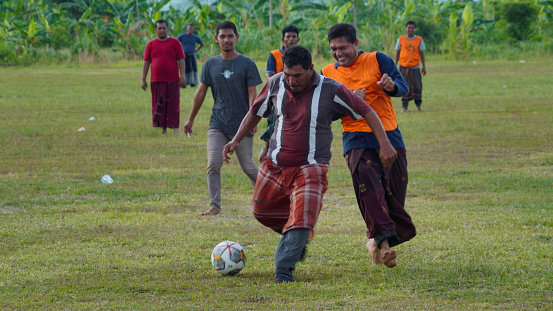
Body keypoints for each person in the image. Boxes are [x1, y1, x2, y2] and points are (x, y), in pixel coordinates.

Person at [222, 45, 397, 283]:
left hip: (311, 167)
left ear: (310, 70)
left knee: (302, 217)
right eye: (287, 75)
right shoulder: (275, 83)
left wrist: (385, 144)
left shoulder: (330, 89)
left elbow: (366, 111)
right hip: (275, 164)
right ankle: (297, 239)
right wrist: (235, 140)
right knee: (261, 210)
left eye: (297, 76)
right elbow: (256, 110)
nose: (291, 81)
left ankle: (284, 270)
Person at [321, 23, 416, 268]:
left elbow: (403, 86)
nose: (338, 53)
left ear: (356, 44)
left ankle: (374, 241)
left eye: (343, 47)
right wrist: (347, 101)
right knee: (370, 190)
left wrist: (391, 86)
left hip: (389, 135)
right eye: (333, 49)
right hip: (355, 140)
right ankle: (384, 247)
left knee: (394, 195)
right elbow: (324, 113)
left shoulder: (377, 60)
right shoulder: (327, 73)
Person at [183, 21, 262, 216]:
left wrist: (253, 120)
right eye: (223, 36)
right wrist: (190, 119)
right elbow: (200, 93)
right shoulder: (210, 64)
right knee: (213, 164)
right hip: (217, 123)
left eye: (230, 36)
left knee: (248, 166)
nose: (226, 40)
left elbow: (254, 94)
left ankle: (266, 198)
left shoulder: (247, 63)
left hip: (241, 125)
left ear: (237, 37)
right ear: (216, 38)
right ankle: (215, 206)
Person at [259, 25, 301, 162]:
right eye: (288, 37)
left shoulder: (302, 55)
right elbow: (270, 78)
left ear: (298, 39)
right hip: (278, 98)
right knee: (272, 133)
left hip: (296, 99)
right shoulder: (275, 55)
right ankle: (264, 159)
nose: (291, 39)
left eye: (293, 36)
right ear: (283, 39)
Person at [141, 19, 186, 135]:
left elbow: (181, 59)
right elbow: (146, 62)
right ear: (155, 30)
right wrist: (143, 79)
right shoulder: (150, 44)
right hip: (156, 80)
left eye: (164, 28)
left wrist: (183, 76)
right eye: (159, 28)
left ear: (167, 29)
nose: (162, 30)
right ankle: (163, 129)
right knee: (159, 105)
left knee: (173, 105)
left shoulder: (175, 43)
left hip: (172, 80)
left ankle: (176, 128)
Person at [394, 21, 426, 112]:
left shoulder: (419, 40)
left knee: (418, 86)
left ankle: (418, 106)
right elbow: (397, 53)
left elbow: (422, 54)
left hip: (415, 67)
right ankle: (404, 108)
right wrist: (395, 65)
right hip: (403, 67)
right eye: (409, 27)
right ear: (406, 28)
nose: (410, 29)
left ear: (414, 29)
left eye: (412, 28)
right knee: (404, 86)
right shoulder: (400, 39)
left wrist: (424, 67)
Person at [177, 23, 204, 88]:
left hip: (192, 55)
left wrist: (197, 49)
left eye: (191, 28)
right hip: (184, 56)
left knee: (193, 69)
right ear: (187, 29)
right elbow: (176, 42)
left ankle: (193, 82)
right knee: (184, 69)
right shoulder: (182, 36)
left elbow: (202, 43)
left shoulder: (195, 37)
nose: (190, 29)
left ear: (193, 29)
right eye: (189, 28)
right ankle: (183, 83)